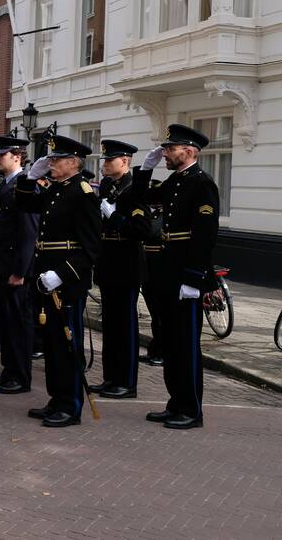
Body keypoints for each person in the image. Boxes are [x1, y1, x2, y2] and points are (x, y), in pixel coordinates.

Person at [135, 123, 220, 430]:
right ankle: (175, 403)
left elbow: (205, 236)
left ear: (190, 151)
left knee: (186, 346)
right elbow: (143, 197)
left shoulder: (202, 183)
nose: (165, 153)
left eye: (170, 149)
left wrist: (194, 278)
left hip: (186, 275)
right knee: (170, 344)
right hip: (167, 272)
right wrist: (145, 169)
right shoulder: (176, 181)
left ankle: (191, 410)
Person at [15, 135, 101, 428]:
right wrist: (30, 177)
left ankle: (71, 405)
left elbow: (90, 247)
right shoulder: (56, 189)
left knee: (67, 344)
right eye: (50, 159)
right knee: (52, 345)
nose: (51, 163)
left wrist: (61, 275)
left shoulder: (84, 193)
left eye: (57, 159)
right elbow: (25, 204)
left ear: (74, 162)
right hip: (46, 276)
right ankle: (56, 398)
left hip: (65, 280)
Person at [90, 140, 151, 400]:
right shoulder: (107, 186)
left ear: (124, 161)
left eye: (109, 160)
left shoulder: (133, 188)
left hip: (126, 264)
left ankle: (126, 382)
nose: (104, 165)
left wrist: (114, 217)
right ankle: (110, 378)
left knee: (125, 326)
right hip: (107, 262)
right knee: (111, 326)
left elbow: (142, 230)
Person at [0, 136, 39, 396]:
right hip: (1, 264)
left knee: (18, 324)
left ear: (17, 156)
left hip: (15, 268)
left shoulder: (25, 186)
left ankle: (20, 375)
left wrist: (20, 271)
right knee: (6, 322)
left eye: (1, 155)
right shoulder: (7, 184)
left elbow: (29, 233)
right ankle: (9, 370)